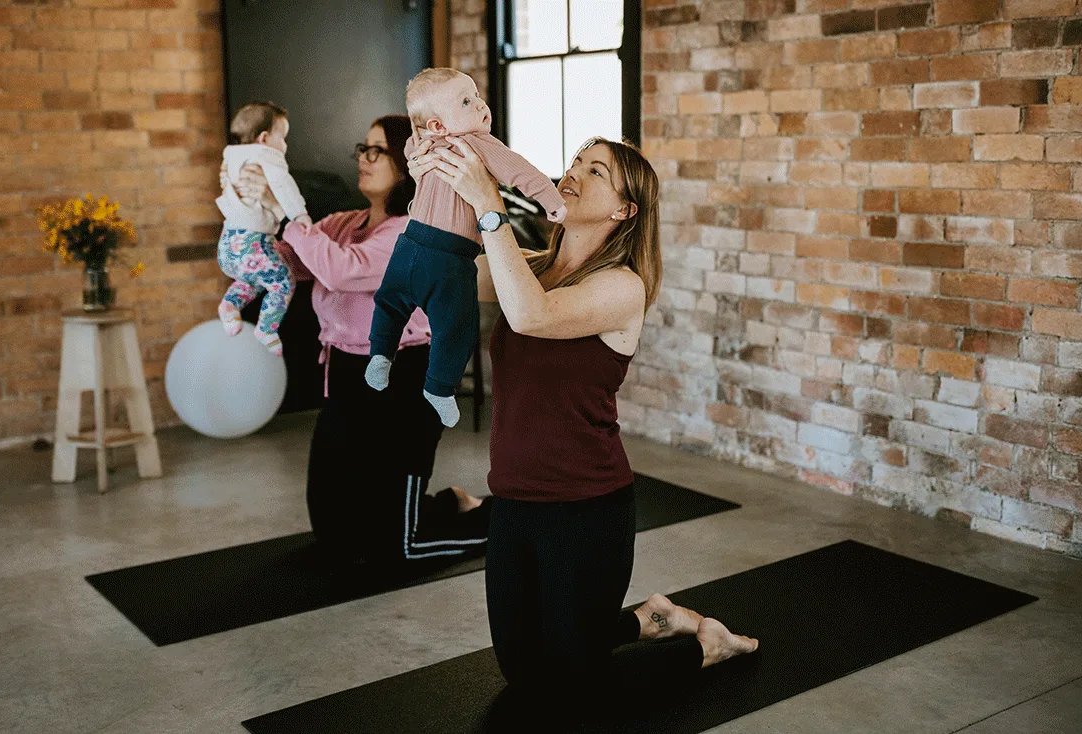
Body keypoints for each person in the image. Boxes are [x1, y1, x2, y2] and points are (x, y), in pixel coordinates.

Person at [410, 135, 758, 718]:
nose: (573, 173)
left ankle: (704, 645)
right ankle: (649, 618)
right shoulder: (530, 266)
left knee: (570, 692)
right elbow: (434, 273)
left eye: (595, 171)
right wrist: (435, 180)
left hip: (587, 508)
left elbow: (530, 316)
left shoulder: (622, 288)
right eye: (575, 161)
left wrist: (489, 202)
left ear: (626, 211)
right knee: (523, 673)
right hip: (516, 500)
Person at [227, 115, 490, 567]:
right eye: (362, 149)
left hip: (405, 384)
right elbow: (296, 260)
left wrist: (289, 215)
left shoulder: (413, 232)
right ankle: (449, 503)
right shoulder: (345, 222)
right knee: (334, 529)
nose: (364, 160)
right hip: (347, 376)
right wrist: (253, 221)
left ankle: (511, 522)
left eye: (377, 151)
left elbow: (340, 269)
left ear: (408, 163)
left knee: (398, 549)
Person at [366, 68, 565, 427]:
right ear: (440, 126)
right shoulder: (478, 144)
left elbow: (411, 145)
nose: (480, 105)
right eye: (466, 101)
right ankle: (439, 388)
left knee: (390, 302)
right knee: (456, 326)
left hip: (408, 246)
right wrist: (553, 203)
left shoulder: (422, 146)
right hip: (450, 258)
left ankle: (380, 354)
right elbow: (521, 172)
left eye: (476, 96)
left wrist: (419, 132)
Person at [215, 101, 312, 355]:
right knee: (283, 281)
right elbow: (284, 187)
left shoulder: (232, 156)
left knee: (252, 279)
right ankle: (267, 328)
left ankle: (230, 305)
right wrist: (299, 214)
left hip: (227, 248)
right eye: (284, 138)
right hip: (253, 244)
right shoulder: (267, 155)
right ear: (265, 138)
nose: (285, 146)